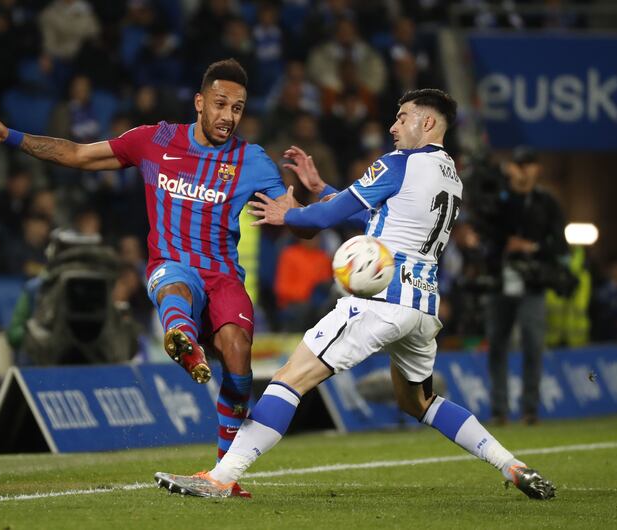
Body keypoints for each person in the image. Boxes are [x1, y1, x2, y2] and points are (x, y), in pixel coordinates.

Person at [154, 89, 556, 501]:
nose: (393, 126)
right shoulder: (450, 175)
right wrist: (322, 185)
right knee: (418, 401)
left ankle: (221, 478)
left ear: (428, 123)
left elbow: (329, 216)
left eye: (402, 117)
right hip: (422, 308)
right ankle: (511, 464)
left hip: (380, 302)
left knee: (289, 380)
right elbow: (379, 216)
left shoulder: (400, 163)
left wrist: (287, 214)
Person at [0, 59, 297, 495]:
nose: (228, 116)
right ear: (199, 102)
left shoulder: (251, 160)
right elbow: (79, 155)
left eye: (238, 108)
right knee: (175, 285)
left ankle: (223, 476)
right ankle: (181, 336)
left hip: (224, 277)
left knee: (238, 357)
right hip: (171, 267)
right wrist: (10, 136)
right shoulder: (155, 140)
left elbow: (296, 219)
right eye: (220, 104)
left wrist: (298, 209)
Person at [482, 147, 569, 425]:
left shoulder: (547, 202)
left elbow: (560, 244)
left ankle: (529, 409)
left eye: (529, 164)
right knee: (497, 344)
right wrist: (504, 244)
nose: (524, 170)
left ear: (537, 169)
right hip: (499, 280)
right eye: (519, 164)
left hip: (533, 282)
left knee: (533, 343)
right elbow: (484, 231)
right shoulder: (500, 199)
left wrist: (533, 247)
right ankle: (499, 409)